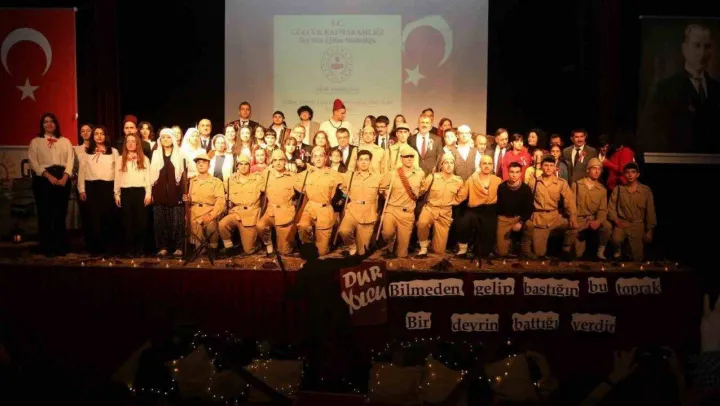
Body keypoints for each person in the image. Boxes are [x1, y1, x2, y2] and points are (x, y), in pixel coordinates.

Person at [638, 23, 720, 153]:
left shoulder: (717, 89)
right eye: (697, 45)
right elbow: (650, 133)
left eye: (707, 47)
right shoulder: (665, 90)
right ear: (684, 48)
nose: (702, 53)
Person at [28, 113, 75, 257]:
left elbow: (70, 160)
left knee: (60, 214)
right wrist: (48, 176)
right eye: (46, 122)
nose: (49, 124)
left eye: (52, 121)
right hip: (43, 179)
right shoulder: (36, 142)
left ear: (56, 124)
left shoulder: (65, 141)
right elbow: (33, 162)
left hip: (62, 177)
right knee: (45, 213)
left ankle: (61, 246)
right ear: (42, 125)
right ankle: (47, 247)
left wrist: (65, 177)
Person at [522, 155, 577, 259]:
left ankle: (565, 249)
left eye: (551, 165)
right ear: (541, 167)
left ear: (555, 167)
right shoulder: (533, 182)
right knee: (539, 253)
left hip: (555, 217)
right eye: (546, 165)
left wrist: (572, 216)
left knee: (573, 226)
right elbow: (526, 201)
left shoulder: (561, 183)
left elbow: (569, 201)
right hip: (539, 219)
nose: (548, 168)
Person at [415, 153, 468, 257]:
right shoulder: (432, 177)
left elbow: (462, 195)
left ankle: (433, 243)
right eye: (446, 163)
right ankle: (423, 247)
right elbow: (421, 191)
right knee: (422, 223)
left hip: (445, 213)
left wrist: (453, 202)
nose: (449, 165)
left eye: (451, 163)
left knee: (439, 251)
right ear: (441, 165)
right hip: (430, 208)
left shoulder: (458, 181)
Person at [79, 125, 119, 256]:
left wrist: (116, 191)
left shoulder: (113, 151)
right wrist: (82, 189)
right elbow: (82, 172)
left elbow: (117, 172)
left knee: (107, 217)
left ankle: (108, 248)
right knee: (93, 218)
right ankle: (94, 248)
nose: (99, 136)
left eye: (102, 133)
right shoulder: (86, 152)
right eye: (96, 134)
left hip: (108, 186)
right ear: (93, 136)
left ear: (106, 136)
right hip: (92, 187)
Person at [379, 144, 425, 258]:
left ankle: (397, 250)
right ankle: (391, 242)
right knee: (387, 233)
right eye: (406, 156)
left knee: (401, 254)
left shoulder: (420, 174)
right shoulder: (393, 173)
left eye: (411, 156)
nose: (409, 159)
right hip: (392, 209)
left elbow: (422, 189)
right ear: (401, 158)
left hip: (408, 213)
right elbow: (382, 188)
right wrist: (386, 194)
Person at [296, 146, 344, 255]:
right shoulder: (306, 173)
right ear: (312, 159)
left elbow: (346, 185)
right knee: (303, 226)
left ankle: (323, 246)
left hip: (325, 209)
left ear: (325, 158)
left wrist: (343, 198)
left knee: (322, 252)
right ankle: (309, 245)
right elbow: (293, 181)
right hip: (310, 207)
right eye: (315, 156)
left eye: (321, 156)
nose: (318, 159)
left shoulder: (334, 174)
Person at [456, 155, 503, 259]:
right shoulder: (472, 179)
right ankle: (463, 249)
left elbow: (503, 197)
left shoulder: (497, 180)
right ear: (480, 165)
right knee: (463, 221)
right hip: (474, 209)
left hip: (490, 210)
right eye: (484, 163)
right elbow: (461, 196)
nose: (487, 166)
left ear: (493, 166)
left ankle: (484, 249)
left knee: (484, 252)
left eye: (489, 164)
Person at [608, 162, 656, 261]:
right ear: (624, 174)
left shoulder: (645, 191)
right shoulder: (619, 189)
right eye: (627, 172)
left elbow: (650, 212)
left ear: (637, 174)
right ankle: (618, 252)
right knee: (615, 240)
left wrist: (649, 231)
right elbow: (611, 207)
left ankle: (629, 253)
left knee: (637, 257)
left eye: (633, 172)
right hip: (622, 223)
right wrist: (616, 220)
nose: (630, 175)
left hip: (638, 224)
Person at [338, 150, 383, 256]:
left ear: (370, 162)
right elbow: (343, 188)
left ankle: (361, 248)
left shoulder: (378, 178)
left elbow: (384, 192)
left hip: (368, 214)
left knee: (361, 252)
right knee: (344, 231)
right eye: (361, 159)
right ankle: (351, 246)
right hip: (353, 210)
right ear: (357, 161)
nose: (363, 162)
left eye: (366, 159)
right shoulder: (350, 176)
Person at [566, 158, 612, 260]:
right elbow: (571, 204)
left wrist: (598, 221)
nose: (597, 171)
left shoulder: (602, 189)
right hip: (579, 219)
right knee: (577, 254)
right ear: (588, 170)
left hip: (593, 219)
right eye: (594, 168)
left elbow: (603, 210)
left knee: (607, 226)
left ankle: (600, 251)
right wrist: (573, 218)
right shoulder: (576, 185)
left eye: (599, 169)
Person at [114, 133, 151, 257]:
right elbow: (117, 177)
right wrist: (117, 194)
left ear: (137, 144)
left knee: (141, 221)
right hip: (126, 192)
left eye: (133, 141)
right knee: (127, 222)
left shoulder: (144, 159)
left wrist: (148, 194)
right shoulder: (120, 159)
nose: (130, 144)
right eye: (128, 141)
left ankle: (140, 249)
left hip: (140, 192)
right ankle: (129, 249)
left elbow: (148, 178)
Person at [257, 149, 299, 255]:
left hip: (286, 213)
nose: (278, 163)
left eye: (280, 160)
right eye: (275, 160)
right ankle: (268, 243)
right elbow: (257, 182)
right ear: (272, 162)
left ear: (285, 161)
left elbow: (304, 189)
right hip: (271, 212)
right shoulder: (266, 173)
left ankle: (291, 241)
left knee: (284, 251)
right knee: (260, 225)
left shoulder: (293, 176)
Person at [218, 155, 263, 256]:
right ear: (237, 166)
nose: (243, 166)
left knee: (248, 250)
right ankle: (229, 247)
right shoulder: (230, 181)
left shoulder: (257, 179)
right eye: (241, 164)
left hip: (250, 215)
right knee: (222, 224)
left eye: (246, 164)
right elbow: (218, 188)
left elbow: (268, 185)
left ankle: (258, 243)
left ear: (250, 166)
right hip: (236, 213)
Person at [150, 129, 185, 257]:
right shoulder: (155, 154)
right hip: (159, 192)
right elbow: (151, 174)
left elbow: (183, 174)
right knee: (160, 221)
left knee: (177, 221)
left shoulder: (180, 153)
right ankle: (162, 247)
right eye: (163, 137)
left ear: (173, 139)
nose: (166, 139)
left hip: (175, 191)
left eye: (168, 137)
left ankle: (178, 247)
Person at [183, 153, 225, 253]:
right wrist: (187, 199)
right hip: (194, 213)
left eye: (204, 162)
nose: (201, 165)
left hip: (209, 211)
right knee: (200, 251)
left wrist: (212, 215)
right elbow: (190, 200)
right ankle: (200, 248)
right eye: (198, 163)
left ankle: (214, 247)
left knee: (211, 226)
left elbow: (220, 201)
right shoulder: (191, 181)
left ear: (209, 165)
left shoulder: (216, 182)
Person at [496, 162, 534, 257]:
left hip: (518, 218)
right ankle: (508, 244)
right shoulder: (501, 187)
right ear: (508, 173)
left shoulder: (526, 188)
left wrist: (521, 222)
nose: (514, 175)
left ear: (520, 173)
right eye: (512, 172)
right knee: (502, 253)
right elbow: (497, 206)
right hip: (504, 219)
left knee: (530, 225)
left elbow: (529, 208)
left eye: (517, 172)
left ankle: (525, 248)